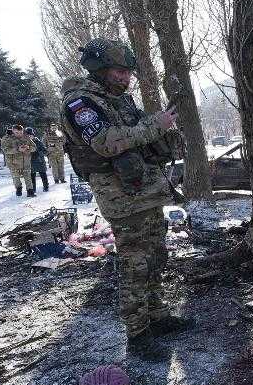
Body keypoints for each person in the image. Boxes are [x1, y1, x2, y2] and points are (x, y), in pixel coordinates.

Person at [59, 38, 184, 358]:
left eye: (128, 71)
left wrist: (162, 133)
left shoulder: (121, 101)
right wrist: (156, 126)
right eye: (118, 70)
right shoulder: (80, 103)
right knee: (135, 262)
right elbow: (107, 143)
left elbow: (142, 133)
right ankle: (138, 333)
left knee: (156, 255)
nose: (125, 77)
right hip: (120, 194)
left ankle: (157, 316)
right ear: (98, 69)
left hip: (147, 189)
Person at [0, 124, 36, 197]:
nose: (19, 134)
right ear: (13, 131)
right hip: (13, 163)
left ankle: (30, 191)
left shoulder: (26, 137)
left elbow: (34, 147)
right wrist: (17, 149)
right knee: (16, 178)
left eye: (21, 132)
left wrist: (28, 147)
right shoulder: (6, 138)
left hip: (26, 162)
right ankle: (18, 188)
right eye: (17, 133)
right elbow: (5, 150)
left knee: (28, 177)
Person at [24, 128, 50, 193]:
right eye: (28, 135)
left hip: (39, 161)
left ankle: (46, 187)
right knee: (32, 177)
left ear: (33, 135)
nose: (29, 136)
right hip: (31, 162)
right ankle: (33, 189)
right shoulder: (24, 143)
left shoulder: (38, 142)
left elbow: (45, 150)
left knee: (43, 175)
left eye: (30, 135)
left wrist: (41, 153)